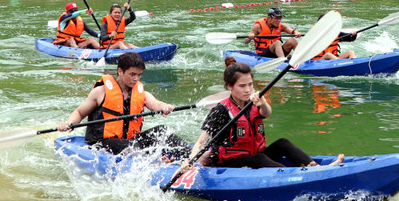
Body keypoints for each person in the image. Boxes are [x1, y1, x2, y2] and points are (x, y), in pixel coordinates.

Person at [177, 62, 343, 171]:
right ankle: (298, 174)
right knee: (258, 158)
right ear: (230, 87)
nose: (248, 89)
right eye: (242, 86)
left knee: (282, 143)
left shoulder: (253, 102)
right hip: (229, 163)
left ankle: (312, 166)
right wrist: (190, 161)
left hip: (255, 155)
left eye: (250, 84)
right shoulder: (220, 110)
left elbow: (266, 113)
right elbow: (201, 142)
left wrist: (262, 102)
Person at [58, 52, 190, 158]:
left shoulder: (140, 92)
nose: (136, 79)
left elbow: (155, 103)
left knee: (162, 131)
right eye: (132, 74)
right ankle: (159, 161)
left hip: (130, 141)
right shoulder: (100, 92)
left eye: (139, 75)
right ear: (120, 71)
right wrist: (69, 123)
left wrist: (165, 106)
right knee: (132, 146)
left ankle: (193, 157)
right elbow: (79, 112)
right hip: (102, 143)